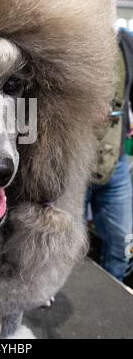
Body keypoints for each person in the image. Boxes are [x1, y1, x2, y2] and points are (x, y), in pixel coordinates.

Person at [86, 17, 133, 281]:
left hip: (116, 164)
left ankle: (116, 291)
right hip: (74, 167)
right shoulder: (67, 41)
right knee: (63, 244)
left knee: (124, 240)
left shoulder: (126, 43)